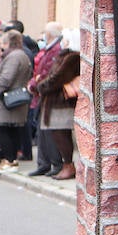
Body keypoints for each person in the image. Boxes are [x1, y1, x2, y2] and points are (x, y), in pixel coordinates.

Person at [0, 29, 34, 173]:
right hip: (10, 100)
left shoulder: (14, 56)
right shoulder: (18, 55)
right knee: (10, 130)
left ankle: (10, 160)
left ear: (8, 43)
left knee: (1, 130)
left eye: (2, 42)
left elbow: (6, 78)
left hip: (8, 100)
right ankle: (10, 160)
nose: (1, 45)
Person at [33, 45, 80, 180]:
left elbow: (58, 78)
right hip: (56, 103)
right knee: (59, 135)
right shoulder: (63, 57)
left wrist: (41, 86)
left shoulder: (71, 58)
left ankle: (68, 165)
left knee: (61, 135)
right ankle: (67, 165)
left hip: (62, 103)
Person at [25, 21, 65, 177]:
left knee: (49, 131)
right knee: (42, 131)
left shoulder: (55, 50)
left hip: (50, 95)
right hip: (43, 94)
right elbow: (40, 72)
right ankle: (44, 163)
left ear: (49, 34)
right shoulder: (50, 49)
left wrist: (36, 85)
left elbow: (48, 73)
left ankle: (53, 163)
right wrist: (34, 83)